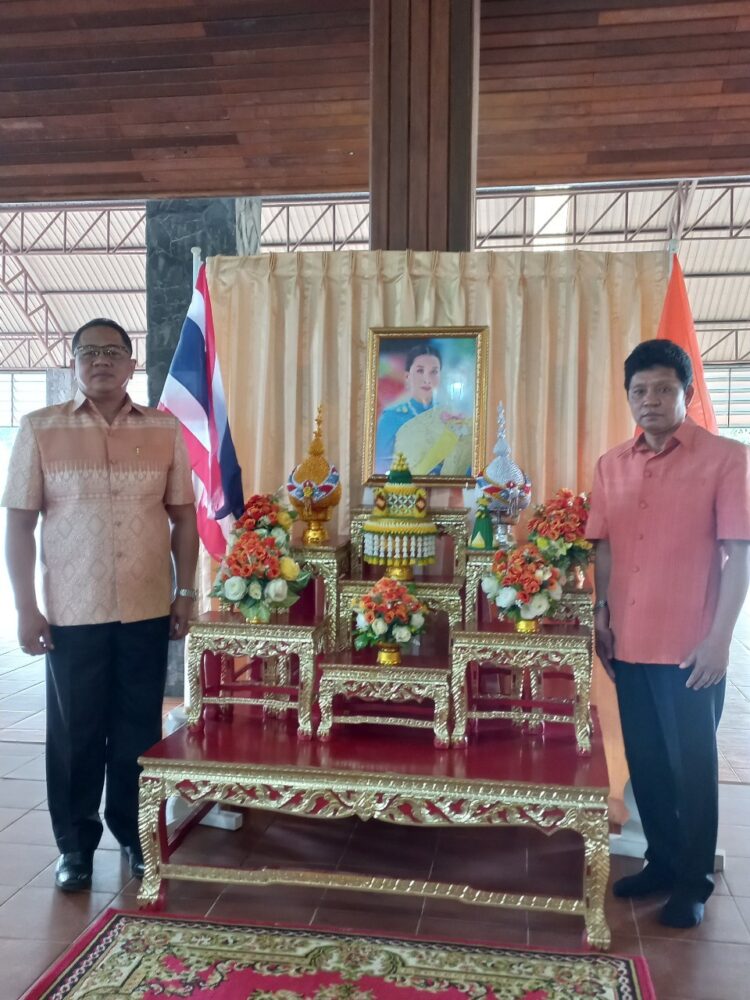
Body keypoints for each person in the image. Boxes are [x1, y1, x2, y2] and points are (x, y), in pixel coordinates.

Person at [2, 319, 199, 892]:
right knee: (75, 732)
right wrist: (25, 608)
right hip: (71, 613)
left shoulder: (163, 430)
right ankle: (75, 846)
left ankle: (136, 836)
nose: (100, 361)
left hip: (146, 606)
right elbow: (19, 526)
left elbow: (184, 518)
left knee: (138, 728)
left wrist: (185, 592)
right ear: (74, 364)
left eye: (112, 351)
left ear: (132, 364)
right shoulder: (40, 429)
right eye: (88, 352)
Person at [587, 338, 750, 929]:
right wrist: (601, 614)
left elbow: (739, 554)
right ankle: (660, 862)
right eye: (639, 390)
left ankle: (693, 881)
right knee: (649, 761)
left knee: (692, 769)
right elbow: (604, 548)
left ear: (687, 393)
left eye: (663, 389)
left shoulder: (726, 459)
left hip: (691, 648)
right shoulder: (611, 464)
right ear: (628, 396)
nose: (650, 400)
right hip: (628, 641)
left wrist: (720, 640)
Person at [375, 345, 471, 475]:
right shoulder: (391, 417)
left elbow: (467, 468)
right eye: (420, 371)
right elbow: (380, 470)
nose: (427, 379)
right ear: (407, 377)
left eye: (434, 372)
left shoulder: (453, 416)